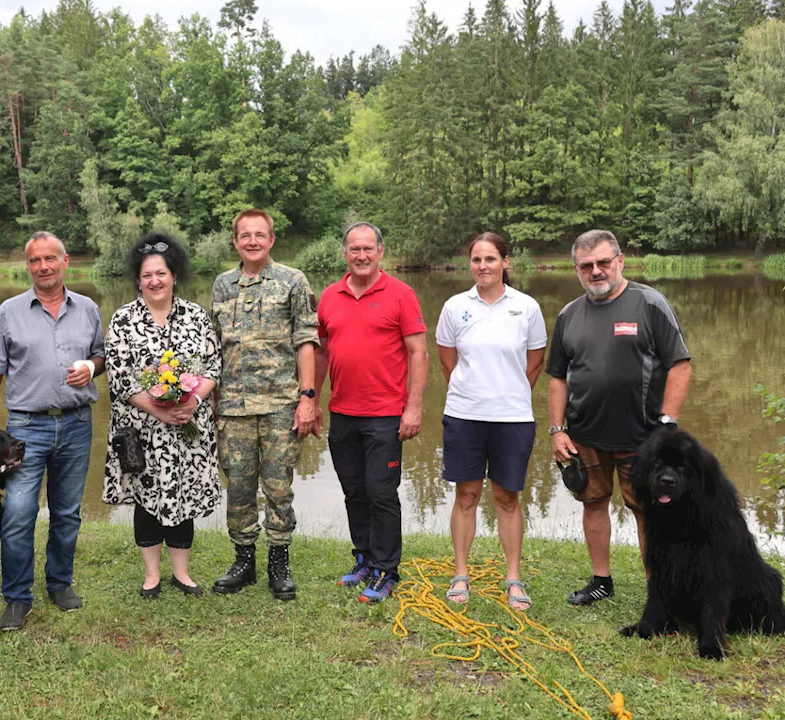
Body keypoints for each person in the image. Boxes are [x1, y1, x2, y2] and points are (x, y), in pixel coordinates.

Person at [0, 231, 105, 629]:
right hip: (25, 430)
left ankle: (60, 583)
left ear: (65, 262)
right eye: (34, 261)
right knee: (19, 511)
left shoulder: (89, 308)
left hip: (77, 424)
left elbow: (101, 354)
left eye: (50, 259)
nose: (43, 267)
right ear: (28, 266)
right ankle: (17, 596)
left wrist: (92, 368)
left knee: (66, 512)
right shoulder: (9, 312)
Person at [546, 229, 692, 605]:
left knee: (648, 511)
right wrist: (558, 429)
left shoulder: (649, 303)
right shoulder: (568, 315)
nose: (596, 271)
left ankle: (658, 590)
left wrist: (666, 424)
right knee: (593, 504)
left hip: (643, 437)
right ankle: (601, 581)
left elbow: (680, 366)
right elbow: (558, 378)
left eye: (603, 263)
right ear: (576, 269)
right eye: (586, 266)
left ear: (620, 261)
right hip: (585, 434)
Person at [312, 222, 427, 603]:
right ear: (344, 253)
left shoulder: (401, 294)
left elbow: (418, 353)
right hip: (343, 412)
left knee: (381, 493)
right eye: (354, 249)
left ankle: (386, 570)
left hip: (385, 415)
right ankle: (362, 558)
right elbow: (323, 352)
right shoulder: (329, 296)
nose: (361, 255)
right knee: (354, 491)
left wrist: (413, 408)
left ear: (380, 251)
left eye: (368, 249)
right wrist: (310, 399)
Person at [103, 233, 222, 598]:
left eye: (162, 273)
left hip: (188, 426)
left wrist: (192, 403)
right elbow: (119, 375)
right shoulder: (123, 319)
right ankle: (152, 574)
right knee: (147, 497)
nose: (155, 281)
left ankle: (182, 573)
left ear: (174, 275)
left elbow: (213, 368)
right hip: (142, 429)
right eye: (147, 275)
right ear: (138, 280)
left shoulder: (197, 316)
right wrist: (157, 408)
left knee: (183, 497)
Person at [210, 208, 320, 601]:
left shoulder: (293, 281)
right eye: (245, 235)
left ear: (271, 240)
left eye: (260, 234)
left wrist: (307, 398)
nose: (252, 241)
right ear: (236, 242)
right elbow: (215, 348)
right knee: (238, 486)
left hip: (279, 404)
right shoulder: (223, 285)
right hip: (233, 407)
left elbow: (306, 341)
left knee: (278, 485)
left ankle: (279, 561)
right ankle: (244, 560)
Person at [435, 233, 547, 611]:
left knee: (507, 498)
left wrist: (507, 392)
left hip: (513, 418)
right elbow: (447, 360)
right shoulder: (454, 306)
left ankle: (513, 578)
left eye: (490, 259)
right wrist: (474, 392)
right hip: (464, 415)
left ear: (505, 262)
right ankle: (461, 574)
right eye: (476, 260)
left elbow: (534, 363)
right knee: (465, 496)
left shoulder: (527, 307)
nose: (483, 266)